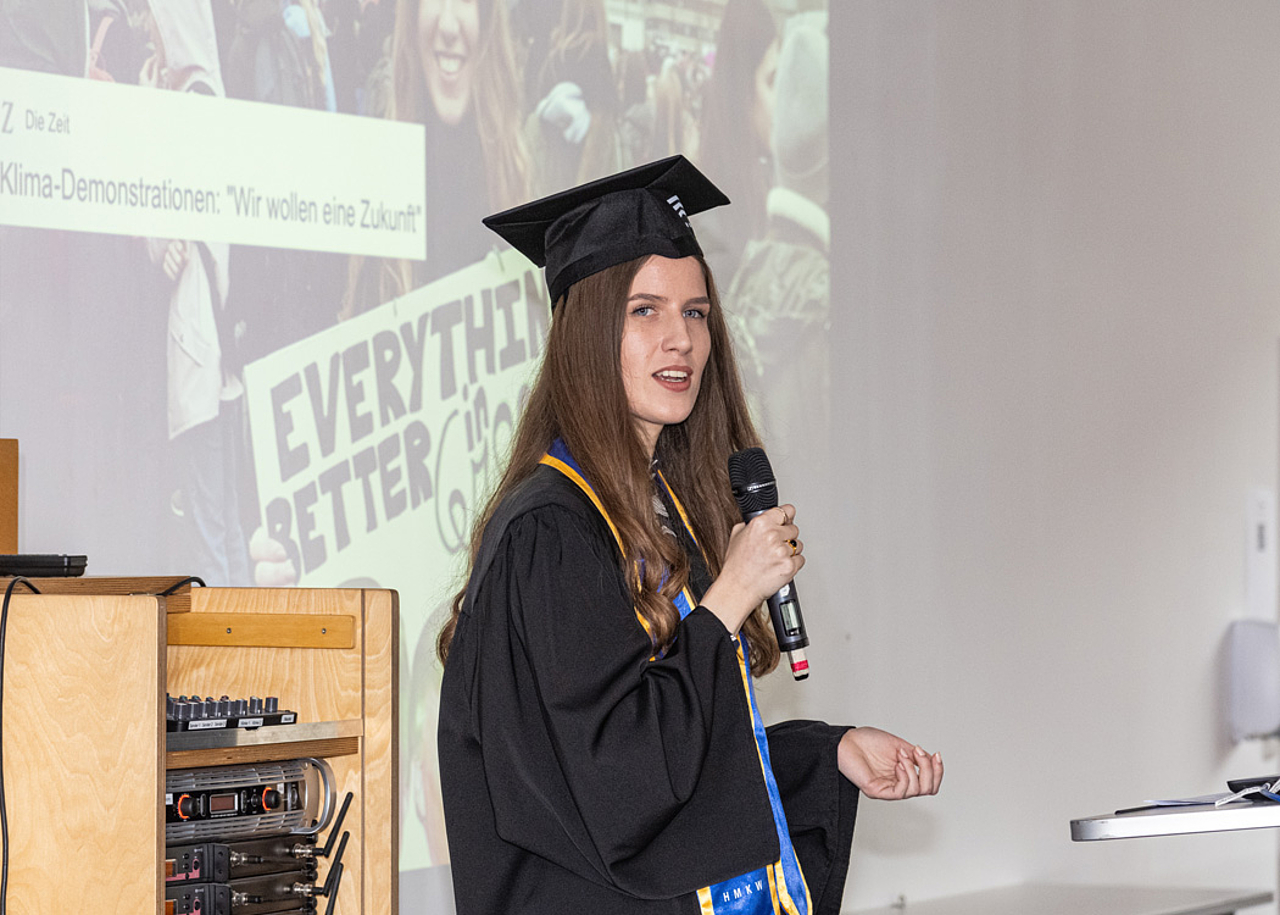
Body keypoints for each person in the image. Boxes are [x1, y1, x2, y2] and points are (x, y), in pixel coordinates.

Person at [436, 156, 942, 915]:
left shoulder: (655, 508)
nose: (680, 339)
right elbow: (619, 783)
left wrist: (824, 754)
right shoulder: (551, 532)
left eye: (696, 312)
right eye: (645, 310)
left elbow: (687, 763)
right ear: (587, 331)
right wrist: (731, 595)